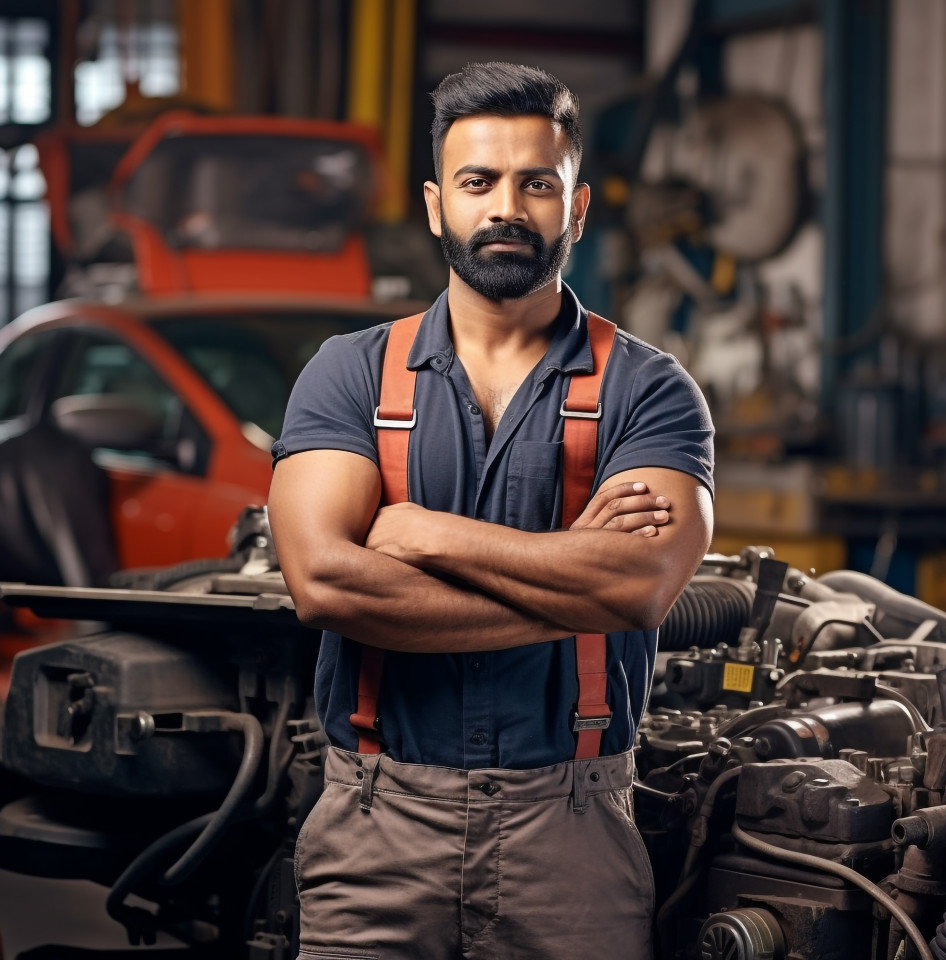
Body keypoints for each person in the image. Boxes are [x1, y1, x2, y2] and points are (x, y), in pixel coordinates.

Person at [268, 61, 714, 960]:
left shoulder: (652, 393)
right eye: (478, 182)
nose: (506, 206)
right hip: (375, 823)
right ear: (437, 205)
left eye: (537, 183)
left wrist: (425, 536)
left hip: (576, 832)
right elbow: (323, 584)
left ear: (577, 208)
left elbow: (636, 592)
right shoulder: (350, 373)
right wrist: (568, 577)